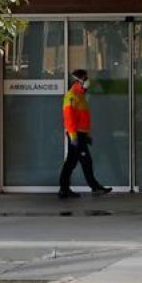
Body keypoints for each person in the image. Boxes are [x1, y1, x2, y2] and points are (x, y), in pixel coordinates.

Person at [58, 69, 112, 199]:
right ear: (79, 81)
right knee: (75, 162)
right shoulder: (72, 96)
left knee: (80, 162)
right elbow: (69, 118)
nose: (88, 81)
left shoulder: (80, 95)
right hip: (75, 135)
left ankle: (68, 189)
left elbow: (80, 119)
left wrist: (85, 136)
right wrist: (73, 136)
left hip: (80, 135)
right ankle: (70, 189)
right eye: (85, 78)